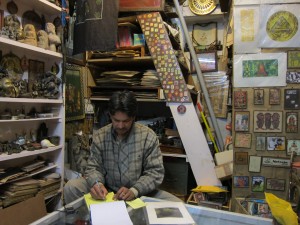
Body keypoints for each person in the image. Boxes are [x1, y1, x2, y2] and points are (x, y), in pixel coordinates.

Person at [63, 91, 181, 204]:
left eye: (126, 121)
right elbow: (94, 167)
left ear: (133, 117)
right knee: (72, 187)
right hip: (108, 192)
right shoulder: (100, 136)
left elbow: (155, 173)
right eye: (116, 120)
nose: (120, 126)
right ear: (110, 116)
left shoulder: (148, 136)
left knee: (177, 204)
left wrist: (135, 190)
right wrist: (97, 184)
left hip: (139, 193)